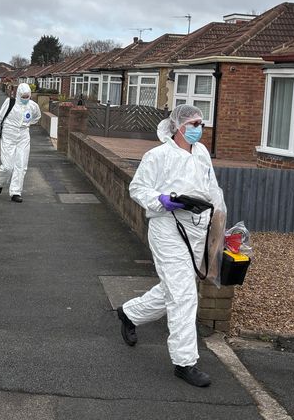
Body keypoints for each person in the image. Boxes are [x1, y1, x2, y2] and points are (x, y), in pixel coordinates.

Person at [116, 104, 226, 388]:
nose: (199, 128)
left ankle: (129, 313)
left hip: (197, 230)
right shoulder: (158, 156)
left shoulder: (201, 153)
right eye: (193, 123)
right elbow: (137, 188)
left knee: (173, 289)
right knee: (184, 296)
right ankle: (185, 361)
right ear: (178, 127)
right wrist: (162, 200)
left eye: (201, 123)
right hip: (168, 230)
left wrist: (220, 222)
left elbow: (212, 189)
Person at [0, 83, 41, 203]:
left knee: (21, 166)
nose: (26, 99)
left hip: (23, 137)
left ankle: (15, 192)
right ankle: (0, 183)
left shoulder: (33, 106)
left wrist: (27, 124)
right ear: (18, 95)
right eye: (23, 96)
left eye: (27, 96)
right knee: (8, 166)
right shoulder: (9, 103)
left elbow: (37, 117)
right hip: (8, 136)